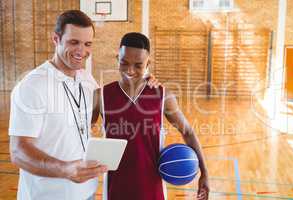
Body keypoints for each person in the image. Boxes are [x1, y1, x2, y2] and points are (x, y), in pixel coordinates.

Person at [8, 10, 159, 200]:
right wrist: (65, 169)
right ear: (56, 39)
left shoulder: (87, 80)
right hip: (46, 195)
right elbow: (18, 152)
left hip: (86, 193)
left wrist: (145, 82)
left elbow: (119, 107)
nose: (82, 50)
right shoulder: (32, 85)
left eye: (88, 44)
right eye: (74, 42)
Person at [92, 32, 209, 200]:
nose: (129, 71)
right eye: (124, 63)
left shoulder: (163, 96)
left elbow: (188, 132)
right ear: (117, 58)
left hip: (152, 188)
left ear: (148, 63)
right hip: (115, 188)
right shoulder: (100, 96)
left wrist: (204, 173)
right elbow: (79, 137)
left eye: (138, 65)